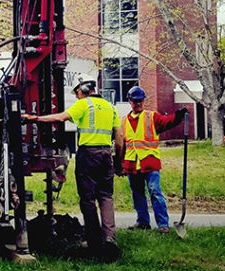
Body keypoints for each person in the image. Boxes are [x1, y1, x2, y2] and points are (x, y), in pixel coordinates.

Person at [22, 76, 122, 259]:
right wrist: (119, 161)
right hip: (106, 155)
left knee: (88, 199)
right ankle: (110, 239)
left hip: (88, 155)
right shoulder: (111, 107)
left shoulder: (85, 104)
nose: (77, 97)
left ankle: (94, 242)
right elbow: (120, 136)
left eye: (77, 93)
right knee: (106, 197)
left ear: (84, 90)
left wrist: (34, 118)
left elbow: (61, 117)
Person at [117, 86, 187, 233]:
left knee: (155, 192)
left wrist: (178, 116)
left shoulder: (151, 116)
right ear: (129, 101)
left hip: (150, 163)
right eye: (135, 101)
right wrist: (120, 163)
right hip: (132, 164)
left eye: (141, 101)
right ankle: (143, 222)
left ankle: (163, 224)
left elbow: (168, 121)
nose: (138, 104)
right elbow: (121, 144)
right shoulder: (123, 121)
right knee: (137, 195)